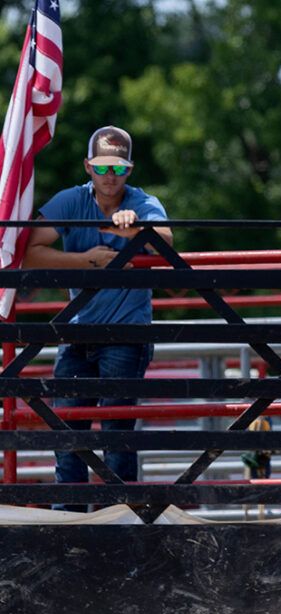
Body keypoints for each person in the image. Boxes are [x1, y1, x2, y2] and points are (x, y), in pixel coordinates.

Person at [24, 126, 171, 511]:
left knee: (116, 432)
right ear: (88, 166)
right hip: (77, 332)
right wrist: (87, 260)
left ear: (130, 170)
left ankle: (118, 522)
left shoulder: (142, 202)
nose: (110, 176)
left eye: (119, 168)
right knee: (68, 432)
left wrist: (134, 229)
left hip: (126, 333)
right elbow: (29, 251)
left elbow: (167, 243)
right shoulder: (70, 201)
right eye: (103, 166)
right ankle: (70, 523)